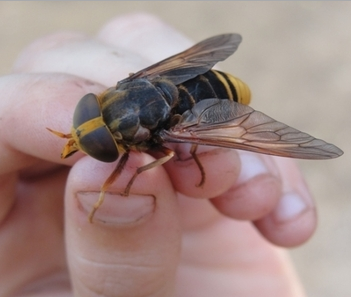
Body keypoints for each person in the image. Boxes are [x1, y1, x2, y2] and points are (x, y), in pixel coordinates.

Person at [0, 13, 315, 297]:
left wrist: (131, 179)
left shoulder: (163, 134)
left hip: (215, 98)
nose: (76, 135)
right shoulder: (133, 81)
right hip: (178, 80)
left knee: (144, 167)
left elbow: (164, 155)